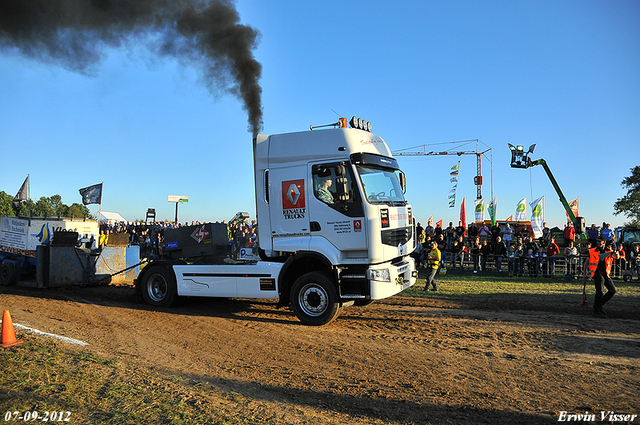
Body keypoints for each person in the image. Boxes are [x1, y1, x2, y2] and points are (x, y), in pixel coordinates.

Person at [587, 236, 620, 317]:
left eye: (599, 241)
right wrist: (585, 273)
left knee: (612, 290)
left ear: (604, 242)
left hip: (606, 274)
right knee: (600, 292)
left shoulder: (608, 250)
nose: (598, 242)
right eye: (597, 241)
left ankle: (598, 306)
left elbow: (617, 257)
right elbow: (587, 261)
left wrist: (616, 253)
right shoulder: (593, 250)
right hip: (597, 273)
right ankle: (596, 311)